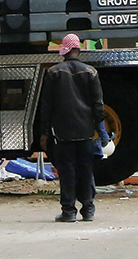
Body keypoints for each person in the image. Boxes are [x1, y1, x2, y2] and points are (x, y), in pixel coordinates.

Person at [40, 33, 106, 222]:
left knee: (67, 171)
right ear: (78, 49)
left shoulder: (54, 73)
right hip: (85, 131)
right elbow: (98, 105)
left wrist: (45, 133)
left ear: (64, 52)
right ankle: (88, 209)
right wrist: (101, 132)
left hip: (63, 132)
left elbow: (47, 106)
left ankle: (69, 211)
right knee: (86, 170)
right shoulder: (91, 72)